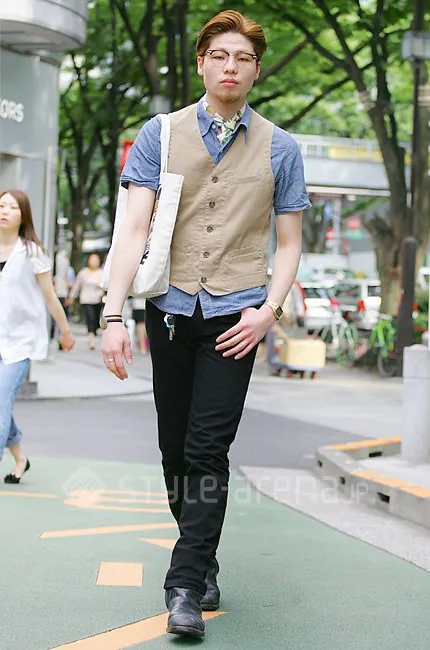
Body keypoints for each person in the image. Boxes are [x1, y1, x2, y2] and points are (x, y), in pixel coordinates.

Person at [101, 9, 310, 639]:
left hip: (236, 317)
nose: (230, 67)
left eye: (243, 58)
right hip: (169, 312)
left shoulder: (280, 146)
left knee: (206, 450)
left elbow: (290, 242)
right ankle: (204, 559)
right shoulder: (160, 134)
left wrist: (268, 312)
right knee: (174, 450)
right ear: (201, 63)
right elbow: (132, 230)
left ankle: (185, 584)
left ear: (256, 70)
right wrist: (113, 313)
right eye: (219, 56)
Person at [0, 189, 75, 483]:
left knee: (1, 401)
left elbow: (50, 297)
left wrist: (65, 331)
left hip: (20, 342)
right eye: (1, 205)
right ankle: (21, 458)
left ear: (23, 216)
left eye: (12, 207)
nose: (4, 211)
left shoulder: (32, 252)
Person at [70, 253, 105, 349]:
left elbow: (106, 285)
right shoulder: (83, 273)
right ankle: (91, 340)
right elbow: (76, 286)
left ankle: (94, 332)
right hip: (86, 299)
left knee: (96, 319)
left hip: (98, 300)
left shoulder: (101, 273)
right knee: (90, 318)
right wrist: (72, 297)